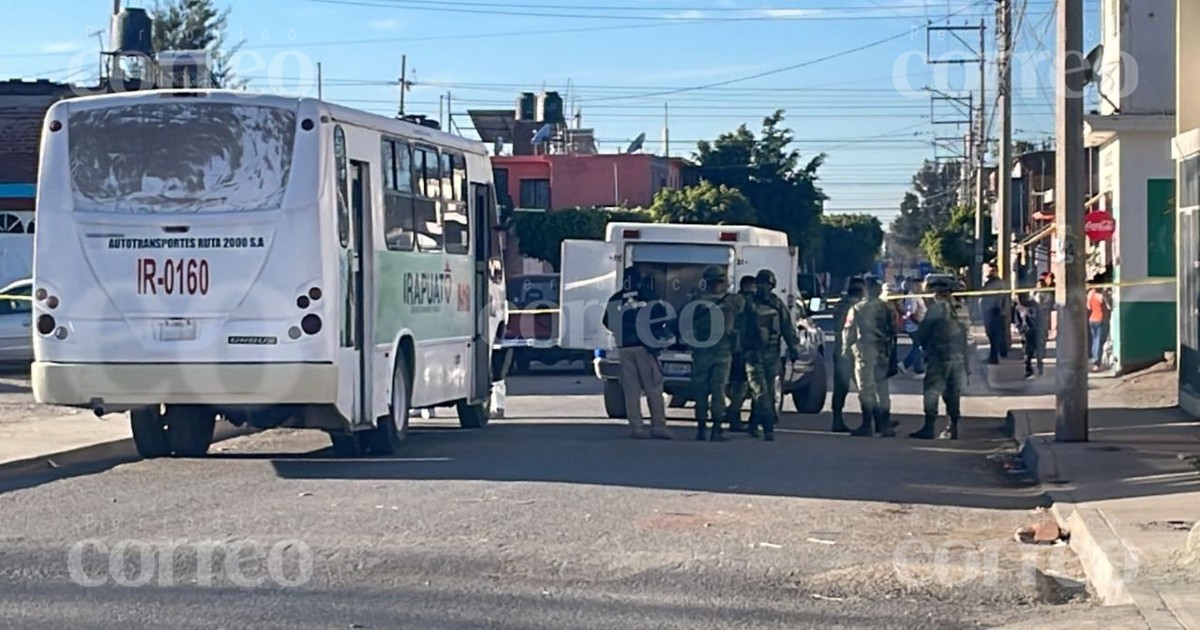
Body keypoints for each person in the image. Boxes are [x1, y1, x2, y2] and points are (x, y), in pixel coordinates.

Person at [602, 266, 674, 439]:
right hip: (644, 348)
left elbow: (606, 321)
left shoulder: (616, 298)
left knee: (631, 389)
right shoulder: (647, 296)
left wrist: (621, 333)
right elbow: (661, 316)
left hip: (625, 348)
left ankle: (637, 428)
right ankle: (658, 427)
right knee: (653, 388)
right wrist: (652, 334)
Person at [742, 269, 802, 442]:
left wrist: (793, 347)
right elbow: (739, 327)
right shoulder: (748, 303)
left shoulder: (776, 304)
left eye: (765, 284)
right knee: (761, 390)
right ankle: (768, 426)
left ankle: (755, 423)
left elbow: (787, 328)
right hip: (753, 353)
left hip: (770, 355)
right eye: (760, 284)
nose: (763, 287)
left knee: (762, 390)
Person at [910, 276, 971, 440]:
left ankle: (929, 427)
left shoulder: (937, 309)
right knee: (953, 392)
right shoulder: (962, 308)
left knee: (932, 390)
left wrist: (925, 347)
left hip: (939, 356)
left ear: (938, 292)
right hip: (958, 356)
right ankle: (953, 427)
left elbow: (923, 332)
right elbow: (967, 335)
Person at [688, 266, 739, 442]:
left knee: (701, 390)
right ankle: (717, 429)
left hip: (701, 352)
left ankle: (701, 429)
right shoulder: (731, 302)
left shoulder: (696, 301)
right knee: (719, 390)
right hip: (722, 352)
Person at [842, 276, 896, 437]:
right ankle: (884, 425)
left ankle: (867, 425)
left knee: (865, 389)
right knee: (882, 389)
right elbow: (893, 330)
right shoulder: (887, 308)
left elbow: (848, 330)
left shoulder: (857, 308)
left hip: (864, 352)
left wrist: (845, 350)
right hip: (882, 352)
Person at [830, 276, 865, 433]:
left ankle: (837, 420)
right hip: (854, 350)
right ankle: (876, 420)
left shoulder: (841, 304)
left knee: (841, 388)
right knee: (865, 386)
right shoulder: (858, 306)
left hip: (840, 350)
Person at [725, 275, 757, 432]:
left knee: (738, 384)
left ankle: (735, 416)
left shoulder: (732, 300)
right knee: (742, 385)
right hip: (742, 349)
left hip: (735, 348)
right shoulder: (745, 302)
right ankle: (734, 413)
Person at [980, 264, 1008, 364]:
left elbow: (1003, 297)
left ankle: (994, 357)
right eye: (989, 270)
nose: (989, 272)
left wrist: (1001, 309)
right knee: (991, 334)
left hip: (994, 311)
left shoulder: (997, 283)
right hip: (990, 310)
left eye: (992, 271)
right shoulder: (989, 282)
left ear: (996, 271)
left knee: (994, 335)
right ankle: (993, 356)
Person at [900, 278, 927, 377]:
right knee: (918, 348)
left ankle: (904, 364)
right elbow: (910, 313)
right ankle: (917, 369)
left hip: (918, 325)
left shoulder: (917, 296)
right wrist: (919, 324)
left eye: (921, 286)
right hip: (915, 326)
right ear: (912, 286)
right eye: (918, 286)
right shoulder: (912, 297)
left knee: (918, 347)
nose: (920, 288)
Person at [1014, 291, 1042, 379]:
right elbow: (1016, 320)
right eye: (1019, 297)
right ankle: (1028, 370)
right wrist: (1021, 329)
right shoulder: (1018, 308)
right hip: (1025, 331)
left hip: (1035, 330)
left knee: (1038, 350)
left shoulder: (1034, 305)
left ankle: (1040, 366)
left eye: (1023, 296)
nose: (1021, 299)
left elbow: (1039, 317)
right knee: (1027, 351)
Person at [1087, 283, 1111, 371]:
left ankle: (1094, 360)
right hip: (1101, 319)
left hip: (1092, 319)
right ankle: (1097, 363)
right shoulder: (1101, 296)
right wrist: (1107, 295)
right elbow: (1109, 306)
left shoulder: (1091, 294)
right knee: (1099, 341)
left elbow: (1088, 307)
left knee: (1094, 340)